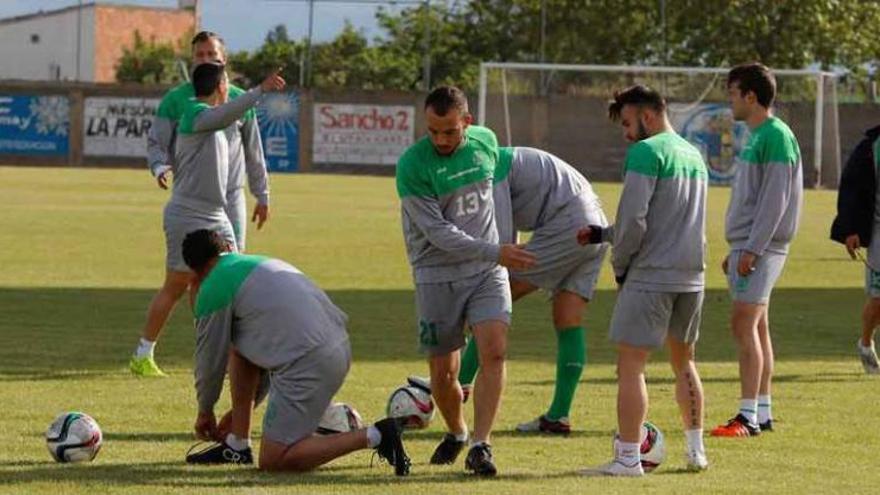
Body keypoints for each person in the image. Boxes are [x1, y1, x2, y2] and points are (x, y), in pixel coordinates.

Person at [180, 229, 410, 475]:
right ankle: (238, 444)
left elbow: (209, 363)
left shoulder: (212, 286)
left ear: (194, 271)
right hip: (336, 347)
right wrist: (238, 415)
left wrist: (205, 412)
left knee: (274, 460)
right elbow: (259, 354)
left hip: (308, 361)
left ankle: (376, 435)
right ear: (225, 247)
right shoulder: (254, 263)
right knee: (240, 350)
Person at [396, 85, 535, 476]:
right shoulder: (412, 165)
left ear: (467, 123)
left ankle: (481, 445)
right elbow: (439, 234)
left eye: (450, 131)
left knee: (494, 351)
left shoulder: (486, 143)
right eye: (433, 131)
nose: (440, 139)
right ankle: (457, 431)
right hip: (436, 275)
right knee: (444, 374)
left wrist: (506, 245)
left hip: (486, 273)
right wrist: (498, 251)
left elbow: (501, 194)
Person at [581, 85, 709, 476]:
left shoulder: (645, 153)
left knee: (630, 366)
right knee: (684, 362)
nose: (625, 132)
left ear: (647, 116)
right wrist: (603, 233)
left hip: (651, 276)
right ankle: (695, 451)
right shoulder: (693, 155)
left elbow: (636, 221)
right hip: (692, 277)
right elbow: (664, 219)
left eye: (626, 122)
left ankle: (627, 459)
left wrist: (619, 266)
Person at [132, 31, 270, 377]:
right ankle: (144, 352)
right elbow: (157, 142)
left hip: (230, 202)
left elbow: (254, 153)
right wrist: (159, 165)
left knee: (222, 280)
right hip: (192, 202)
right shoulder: (183, 102)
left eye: (213, 54)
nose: (207, 59)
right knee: (182, 281)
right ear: (193, 60)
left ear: (224, 60)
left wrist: (262, 193)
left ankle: (215, 353)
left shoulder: (236, 100)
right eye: (201, 54)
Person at [454, 146, 610, 434]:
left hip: (569, 224)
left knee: (492, 298)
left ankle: (459, 382)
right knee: (568, 318)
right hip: (594, 224)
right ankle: (558, 416)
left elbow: (501, 239)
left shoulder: (489, 168)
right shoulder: (500, 159)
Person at [711, 63, 804, 437]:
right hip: (750, 246)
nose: (729, 100)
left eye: (733, 93)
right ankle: (761, 412)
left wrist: (751, 248)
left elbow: (774, 201)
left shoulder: (776, 136)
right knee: (758, 327)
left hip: (761, 247)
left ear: (751, 96)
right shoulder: (761, 135)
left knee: (743, 324)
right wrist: (738, 249)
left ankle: (746, 416)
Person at [830, 124, 880, 375]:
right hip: (878, 230)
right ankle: (866, 343)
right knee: (879, 298)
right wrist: (850, 229)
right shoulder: (870, 148)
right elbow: (850, 190)